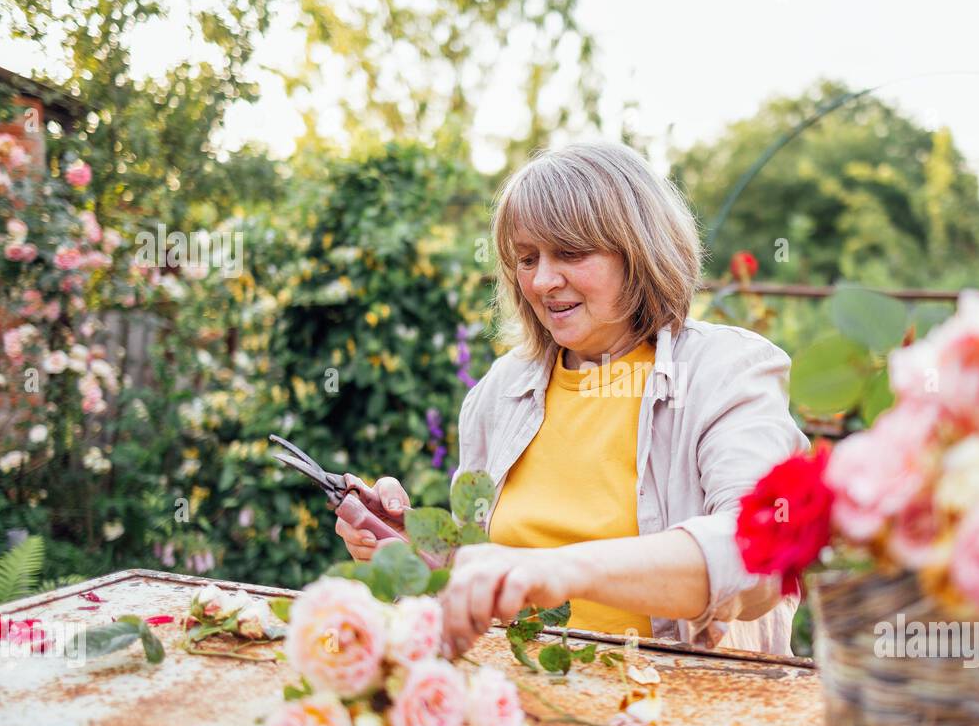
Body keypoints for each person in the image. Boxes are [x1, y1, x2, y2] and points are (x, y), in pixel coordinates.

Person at [336, 141, 809, 656]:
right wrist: (415, 552)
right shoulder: (500, 392)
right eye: (526, 258)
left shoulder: (725, 372)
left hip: (676, 705)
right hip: (518, 694)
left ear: (639, 252)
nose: (541, 281)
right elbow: (484, 577)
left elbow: (759, 553)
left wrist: (557, 568)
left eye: (571, 253)